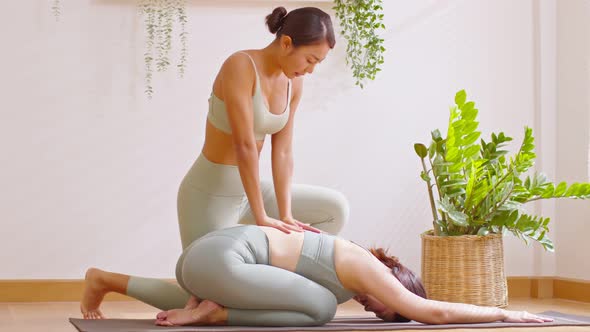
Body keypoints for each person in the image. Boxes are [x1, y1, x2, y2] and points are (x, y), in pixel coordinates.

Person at [80, 6, 350, 319]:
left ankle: (271, 284)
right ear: (287, 43)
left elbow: (283, 152)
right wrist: (262, 216)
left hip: (249, 194)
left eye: (318, 63)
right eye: (310, 60)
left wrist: (286, 214)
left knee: (334, 209)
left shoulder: (294, 82)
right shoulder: (241, 66)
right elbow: (245, 144)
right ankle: (103, 280)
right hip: (208, 195)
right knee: (201, 295)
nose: (311, 70)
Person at [81, 225, 554, 326]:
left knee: (307, 300)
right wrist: (508, 314)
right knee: (320, 310)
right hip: (218, 261)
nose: (377, 312)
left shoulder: (345, 261)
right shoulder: (367, 271)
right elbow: (433, 312)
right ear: (399, 285)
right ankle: (210, 314)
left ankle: (107, 280)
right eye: (390, 312)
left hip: (201, 260)